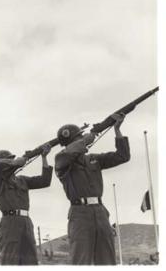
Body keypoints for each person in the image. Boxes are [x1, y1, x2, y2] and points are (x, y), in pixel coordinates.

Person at [54, 113, 130, 265]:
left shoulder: (93, 159)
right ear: (69, 144)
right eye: (78, 138)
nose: (82, 140)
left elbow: (123, 156)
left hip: (100, 211)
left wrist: (117, 130)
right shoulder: (61, 160)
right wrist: (85, 140)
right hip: (79, 213)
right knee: (81, 259)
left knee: (107, 259)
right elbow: (68, 154)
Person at [0, 145, 53, 265]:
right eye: (9, 160)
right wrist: (19, 160)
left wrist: (44, 157)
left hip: (26, 222)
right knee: (11, 261)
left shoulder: (21, 180)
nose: (12, 162)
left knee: (30, 260)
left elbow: (44, 181)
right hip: (10, 222)